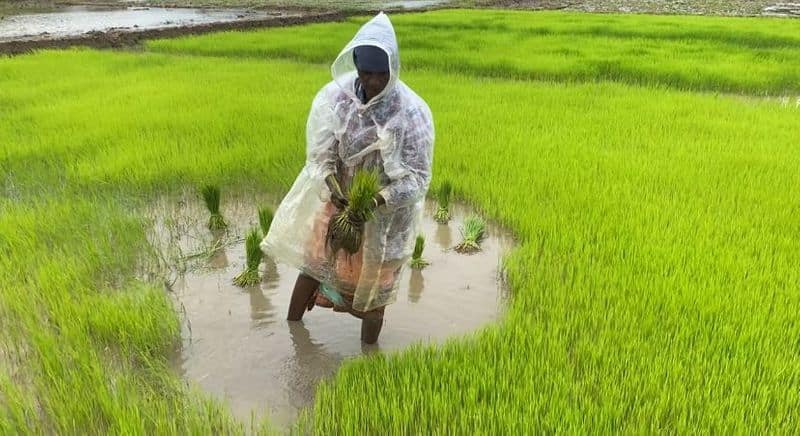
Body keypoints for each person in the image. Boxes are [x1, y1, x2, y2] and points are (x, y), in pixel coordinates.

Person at [261, 12, 434, 344]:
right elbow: (321, 152)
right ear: (355, 66)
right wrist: (332, 184)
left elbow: (417, 178)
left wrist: (374, 201)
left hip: (384, 220)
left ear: (392, 70)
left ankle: (369, 354)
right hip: (338, 206)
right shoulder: (337, 98)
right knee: (314, 268)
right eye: (364, 73)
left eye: (379, 75)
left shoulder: (411, 113)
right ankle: (294, 336)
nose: (370, 82)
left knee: (374, 293)